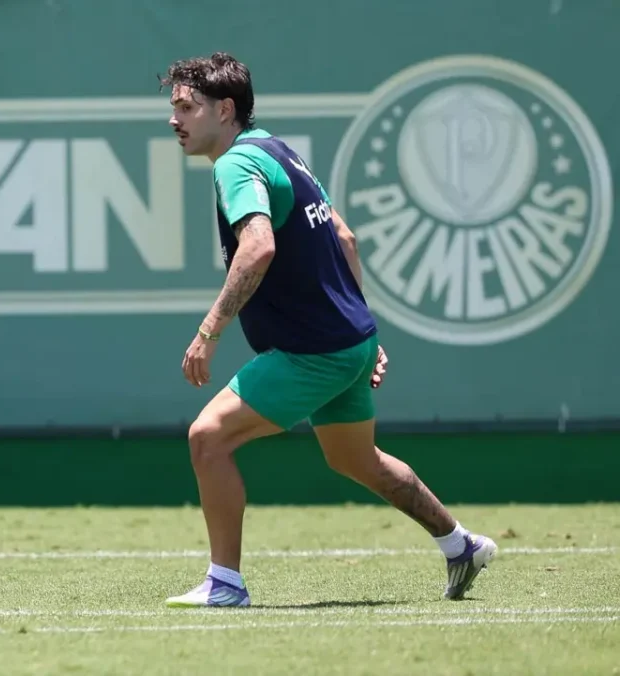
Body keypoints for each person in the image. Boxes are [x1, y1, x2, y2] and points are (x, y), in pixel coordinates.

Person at [158, 52, 497, 607]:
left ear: (225, 109)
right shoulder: (277, 150)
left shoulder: (235, 165)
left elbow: (259, 246)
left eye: (187, 108)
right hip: (348, 343)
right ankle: (460, 544)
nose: (175, 120)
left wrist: (209, 329)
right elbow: (345, 238)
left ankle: (225, 584)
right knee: (355, 460)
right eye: (173, 108)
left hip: (312, 352)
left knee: (207, 439)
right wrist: (363, 332)